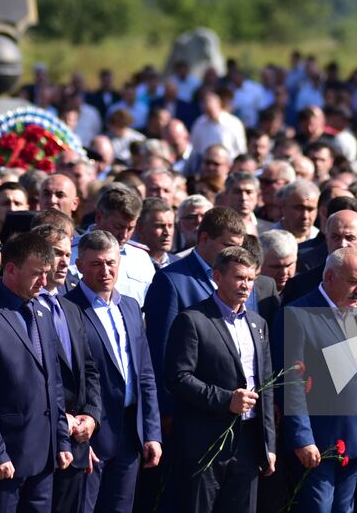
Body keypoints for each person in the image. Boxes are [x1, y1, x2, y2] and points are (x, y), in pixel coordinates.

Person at [165, 245, 276, 513]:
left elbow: (267, 387)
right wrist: (226, 400)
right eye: (239, 277)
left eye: (250, 279)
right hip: (205, 443)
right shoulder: (192, 320)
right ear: (217, 277)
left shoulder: (258, 324)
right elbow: (178, 378)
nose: (245, 285)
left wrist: (269, 445)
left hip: (248, 443)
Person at [0, 231, 72, 513]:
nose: (44, 282)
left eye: (47, 274)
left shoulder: (43, 313)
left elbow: (54, 383)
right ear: (11, 269)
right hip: (7, 460)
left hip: (45, 456)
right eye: (37, 273)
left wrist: (61, 439)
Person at [275, 247, 357, 513]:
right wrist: (302, 438)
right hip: (317, 445)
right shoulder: (298, 315)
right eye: (353, 281)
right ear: (330, 277)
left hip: (356, 444)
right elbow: (292, 386)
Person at [68, 230, 162, 513]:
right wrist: (79, 439)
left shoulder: (131, 307)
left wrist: (152, 433)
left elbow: (145, 374)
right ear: (80, 266)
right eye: (96, 264)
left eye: (110, 263)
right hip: (90, 435)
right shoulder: (68, 309)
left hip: (130, 433)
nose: (105, 271)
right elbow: (67, 380)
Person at [144, 206, 246, 414]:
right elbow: (161, 352)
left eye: (239, 248)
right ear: (205, 238)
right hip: (193, 411)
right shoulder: (171, 280)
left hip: (239, 408)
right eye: (227, 246)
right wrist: (165, 412)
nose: (234, 255)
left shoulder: (242, 281)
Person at [31, 224, 100, 513]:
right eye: (54, 253)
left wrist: (91, 418)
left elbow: (89, 369)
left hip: (78, 443)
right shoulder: (23, 308)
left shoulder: (70, 307)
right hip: (43, 444)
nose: (63, 261)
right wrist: (62, 421)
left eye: (66, 253)